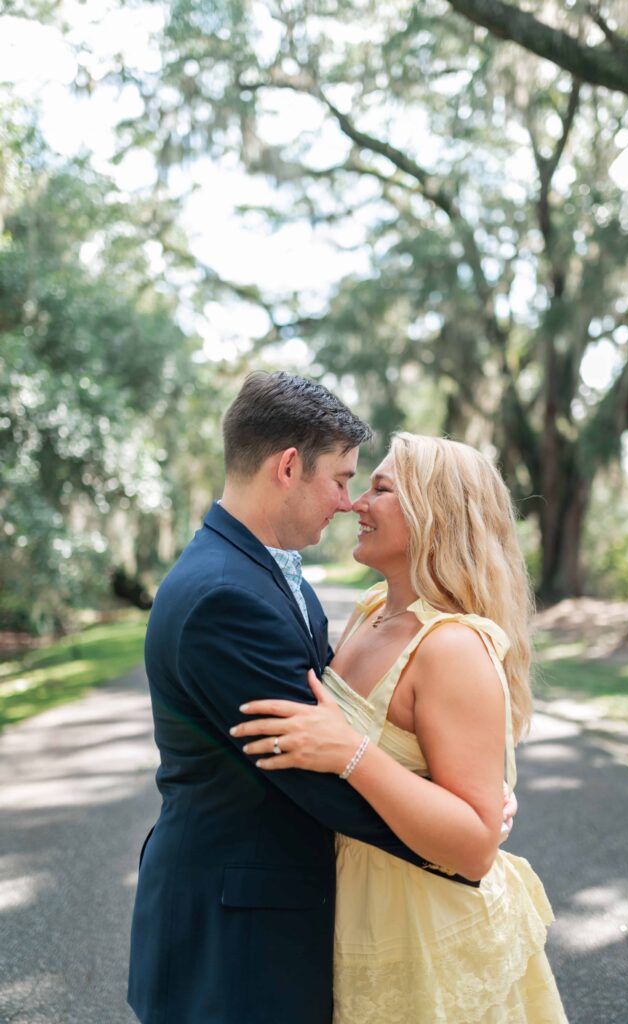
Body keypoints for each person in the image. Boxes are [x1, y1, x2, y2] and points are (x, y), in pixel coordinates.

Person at [127, 375, 514, 1024]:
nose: (347, 502)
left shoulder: (276, 577)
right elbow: (314, 773)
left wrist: (466, 797)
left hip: (304, 915)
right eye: (341, 479)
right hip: (234, 933)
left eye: (369, 487)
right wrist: (463, 834)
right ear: (287, 467)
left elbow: (345, 734)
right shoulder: (225, 595)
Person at [233, 432, 568, 1023]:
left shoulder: (451, 647)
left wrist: (352, 754)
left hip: (425, 928)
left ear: (434, 514)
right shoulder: (369, 612)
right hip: (355, 910)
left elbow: (475, 848)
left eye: (381, 490)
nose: (356, 503)